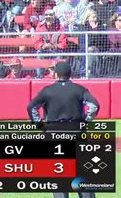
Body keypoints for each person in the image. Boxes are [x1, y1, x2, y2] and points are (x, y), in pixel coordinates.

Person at [27, 61, 99, 198]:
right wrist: (85, 121)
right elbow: (94, 105)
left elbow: (31, 107)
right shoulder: (80, 89)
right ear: (70, 74)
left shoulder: (47, 91)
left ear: (55, 74)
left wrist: (40, 125)